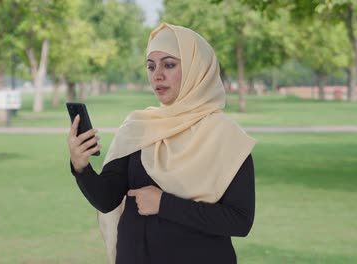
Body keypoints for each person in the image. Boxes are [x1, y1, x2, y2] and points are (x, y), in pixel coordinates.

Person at [67, 23, 256, 264]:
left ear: (196, 69)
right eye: (151, 66)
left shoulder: (225, 137)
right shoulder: (139, 126)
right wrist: (81, 167)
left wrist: (165, 204)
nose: (157, 75)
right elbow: (106, 199)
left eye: (169, 65)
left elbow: (239, 221)